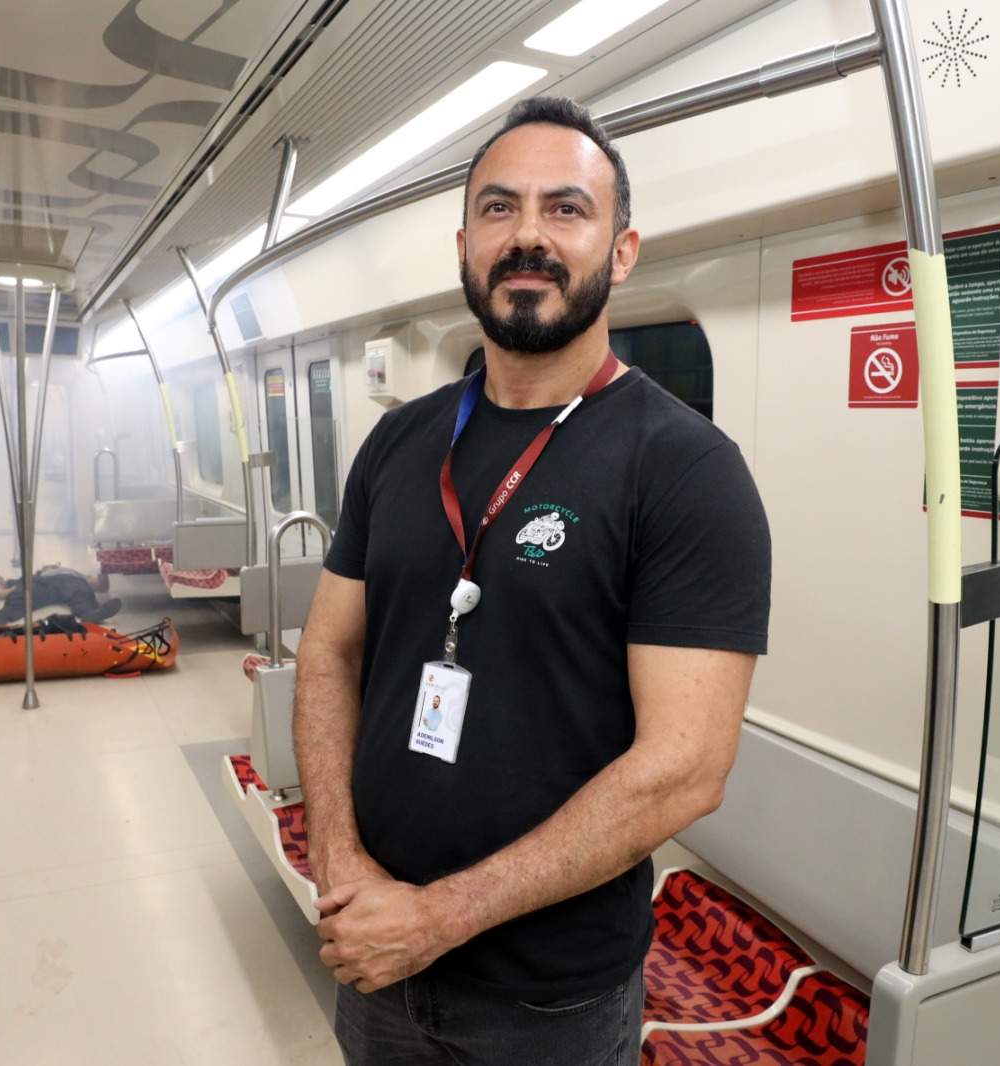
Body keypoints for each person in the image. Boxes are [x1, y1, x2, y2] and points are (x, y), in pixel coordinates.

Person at [294, 96, 771, 1065]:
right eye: (499, 208)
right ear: (464, 246)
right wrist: (340, 864)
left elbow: (687, 766)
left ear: (621, 251)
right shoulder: (397, 442)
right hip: (376, 957)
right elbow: (328, 651)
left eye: (566, 209)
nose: (528, 236)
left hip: (550, 1003)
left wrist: (436, 917)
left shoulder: (685, 470)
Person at [0, 564, 121, 627]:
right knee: (21, 596)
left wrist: (104, 566)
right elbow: (12, 591)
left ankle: (92, 614)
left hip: (70, 583)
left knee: (81, 595)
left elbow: (101, 586)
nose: (53, 564)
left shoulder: (76, 574)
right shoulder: (35, 575)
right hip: (40, 584)